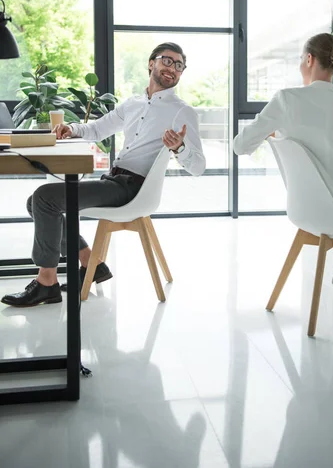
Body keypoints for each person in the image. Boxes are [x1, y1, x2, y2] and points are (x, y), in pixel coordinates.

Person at [1, 42, 206, 307]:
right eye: (167, 61)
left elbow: (199, 166)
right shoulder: (133, 103)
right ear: (151, 63)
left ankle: (46, 283)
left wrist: (178, 147)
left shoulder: (182, 111)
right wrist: (72, 129)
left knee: (44, 197)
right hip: (113, 181)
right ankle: (91, 262)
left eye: (179, 66)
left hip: (132, 189)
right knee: (37, 202)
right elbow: (98, 129)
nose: (173, 69)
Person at [233, 33, 333, 307]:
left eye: (301, 58)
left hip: (308, 210)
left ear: (309, 59)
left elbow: (240, 146)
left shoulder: (287, 100)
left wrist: (272, 135)